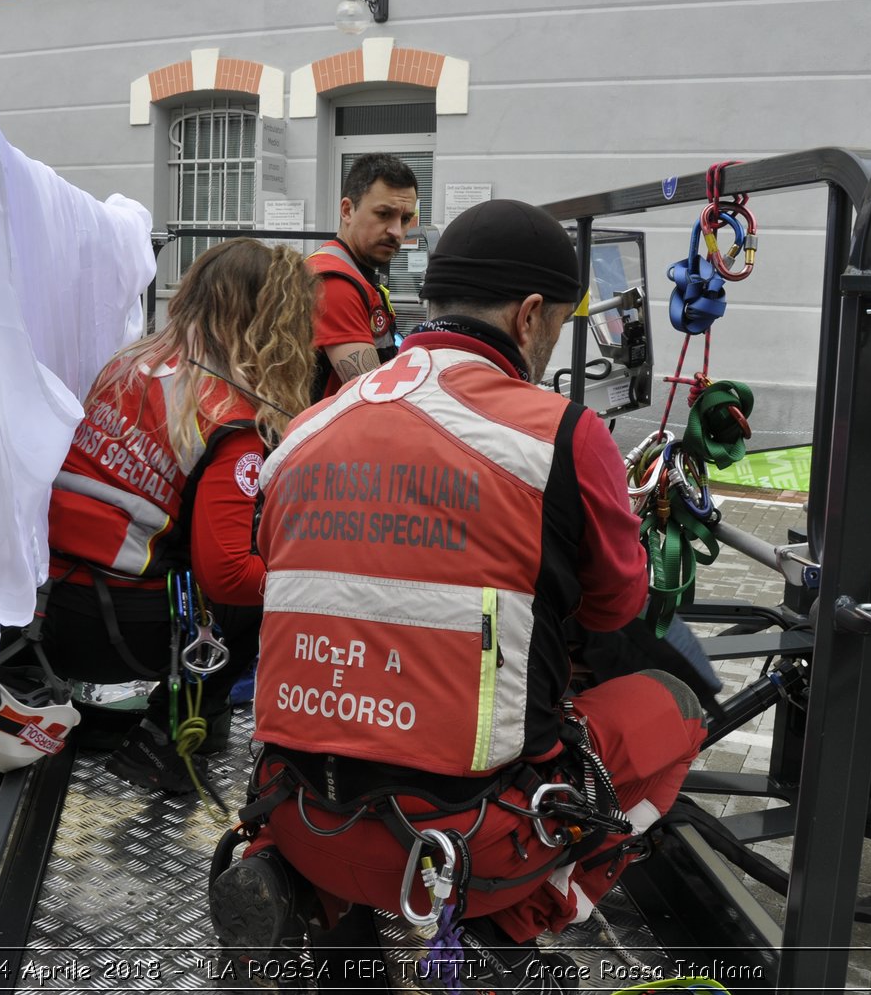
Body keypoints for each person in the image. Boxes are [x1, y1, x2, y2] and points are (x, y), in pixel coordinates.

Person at [209, 200, 709, 991]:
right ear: (532, 314)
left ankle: (301, 887)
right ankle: (507, 927)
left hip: (297, 811)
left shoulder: (305, 429)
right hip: (464, 842)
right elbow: (612, 609)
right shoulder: (563, 435)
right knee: (674, 709)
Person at [41, 238, 316, 794]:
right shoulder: (230, 421)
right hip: (115, 634)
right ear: (271, 322)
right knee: (257, 586)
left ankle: (185, 720)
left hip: (40, 612)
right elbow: (229, 575)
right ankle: (166, 739)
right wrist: (308, 584)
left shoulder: (126, 363)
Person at [308, 153, 418, 398]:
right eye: (383, 214)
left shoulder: (352, 271)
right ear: (347, 210)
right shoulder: (334, 283)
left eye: (405, 219)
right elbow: (372, 395)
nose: (397, 231)